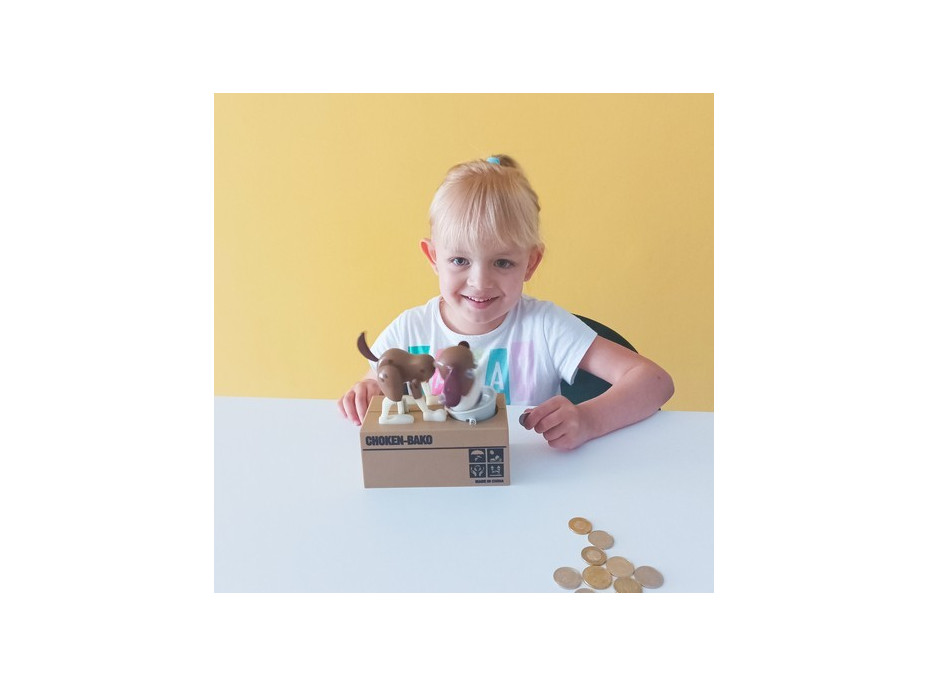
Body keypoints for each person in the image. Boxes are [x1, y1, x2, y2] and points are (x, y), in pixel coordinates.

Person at [337, 154, 674, 450]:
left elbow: (654, 382)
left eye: (502, 262)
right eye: (460, 260)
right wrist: (365, 392)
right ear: (433, 257)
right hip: (436, 483)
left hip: (529, 484)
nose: (480, 282)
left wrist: (588, 420)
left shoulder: (545, 327)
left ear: (531, 263)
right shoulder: (409, 330)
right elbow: (374, 385)